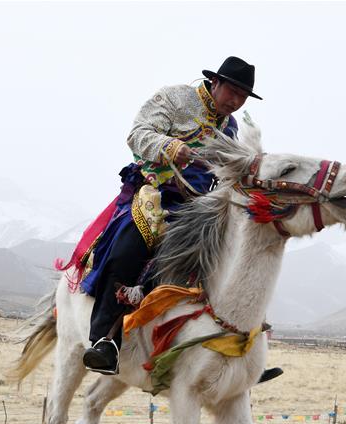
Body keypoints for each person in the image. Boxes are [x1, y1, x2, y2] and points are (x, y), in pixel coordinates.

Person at [59, 57, 280, 381]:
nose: (236, 101)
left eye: (243, 96)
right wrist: (168, 146)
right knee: (128, 250)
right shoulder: (175, 99)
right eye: (232, 91)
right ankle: (105, 341)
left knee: (241, 257)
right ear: (215, 83)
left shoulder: (230, 129)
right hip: (155, 196)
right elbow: (137, 134)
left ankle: (242, 353)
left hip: (200, 209)